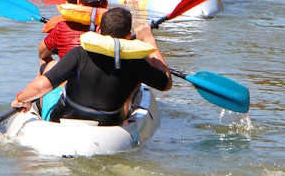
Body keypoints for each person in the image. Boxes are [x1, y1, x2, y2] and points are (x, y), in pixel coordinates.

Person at [12, 7, 172, 125]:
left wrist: (21, 99)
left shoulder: (80, 54)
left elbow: (42, 86)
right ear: (128, 37)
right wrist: (149, 40)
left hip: (64, 119)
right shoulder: (136, 62)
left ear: (99, 30)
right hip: (109, 126)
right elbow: (166, 83)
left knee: (51, 72)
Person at [38, 0, 108, 73]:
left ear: (78, 2)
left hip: (70, 82)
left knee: (46, 62)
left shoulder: (61, 27)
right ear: (106, 4)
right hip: (99, 80)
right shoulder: (111, 27)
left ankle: (44, 85)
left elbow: (42, 53)